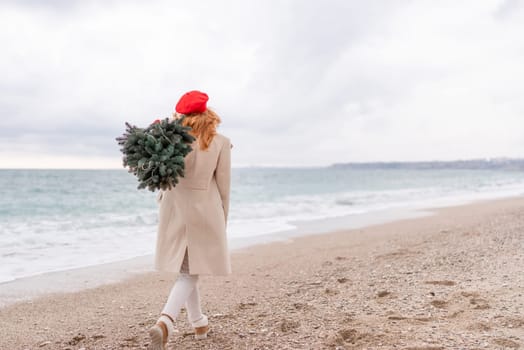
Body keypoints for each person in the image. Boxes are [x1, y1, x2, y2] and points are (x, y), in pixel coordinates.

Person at [148, 90, 232, 350]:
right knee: (190, 271)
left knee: (189, 267)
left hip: (173, 208)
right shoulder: (221, 142)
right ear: (207, 113)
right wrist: (223, 218)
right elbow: (224, 186)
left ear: (181, 115)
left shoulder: (171, 141)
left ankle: (199, 322)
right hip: (205, 210)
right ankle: (165, 321)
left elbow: (159, 178)